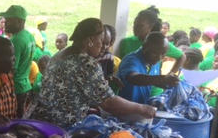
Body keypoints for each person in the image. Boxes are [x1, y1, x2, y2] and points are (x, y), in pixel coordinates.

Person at [28, 18, 156, 128]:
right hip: (61, 127)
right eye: (101, 40)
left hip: (40, 120)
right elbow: (108, 103)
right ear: (90, 39)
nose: (102, 45)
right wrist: (142, 108)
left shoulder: (59, 55)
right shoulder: (87, 63)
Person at [115, 6, 186, 73]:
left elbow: (182, 57)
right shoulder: (127, 42)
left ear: (150, 26)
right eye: (134, 24)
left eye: (139, 25)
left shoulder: (160, 44)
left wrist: (170, 74)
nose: (134, 28)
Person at [118, 32, 181, 104]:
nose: (159, 57)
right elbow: (132, 78)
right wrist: (163, 78)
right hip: (123, 108)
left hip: (140, 107)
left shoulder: (154, 62)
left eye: (163, 53)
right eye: (155, 53)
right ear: (144, 47)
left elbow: (151, 80)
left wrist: (171, 83)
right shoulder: (131, 60)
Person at [0, 5, 36, 117]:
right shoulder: (29, 35)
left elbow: (11, 70)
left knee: (12, 120)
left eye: (9, 20)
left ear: (20, 21)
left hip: (15, 88)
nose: (5, 23)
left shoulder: (16, 40)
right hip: (25, 85)